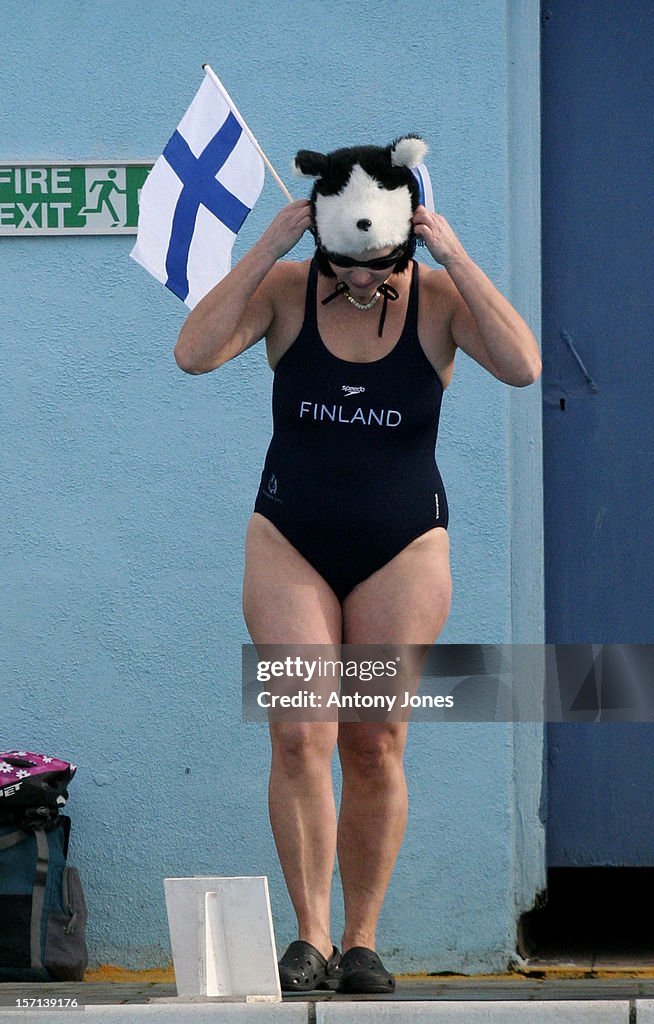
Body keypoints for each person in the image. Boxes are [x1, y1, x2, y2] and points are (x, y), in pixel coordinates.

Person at [173, 137, 541, 994]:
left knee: (374, 740)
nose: (363, 280)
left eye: (380, 264)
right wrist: (268, 243)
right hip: (289, 539)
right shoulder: (286, 292)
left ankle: (363, 939)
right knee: (302, 731)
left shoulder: (440, 300)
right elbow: (193, 352)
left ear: (404, 237)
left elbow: (523, 366)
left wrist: (454, 252)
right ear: (322, 245)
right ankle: (310, 937)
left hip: (403, 547)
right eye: (346, 263)